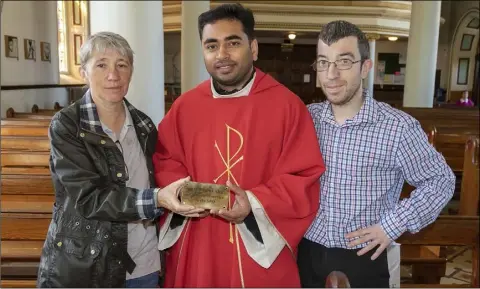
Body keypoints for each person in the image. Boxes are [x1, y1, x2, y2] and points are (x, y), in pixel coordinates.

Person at [153, 3, 325, 288]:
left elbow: (303, 176)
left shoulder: (287, 106)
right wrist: (185, 192)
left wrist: (253, 203)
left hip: (259, 243)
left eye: (232, 43)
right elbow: (165, 160)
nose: (222, 55)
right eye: (211, 46)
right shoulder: (185, 107)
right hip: (199, 240)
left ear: (253, 48)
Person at [36, 32, 204, 288]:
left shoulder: (144, 124)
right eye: (101, 64)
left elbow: (165, 171)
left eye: (122, 65)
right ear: (84, 72)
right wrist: (157, 198)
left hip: (144, 264)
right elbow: (89, 197)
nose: (113, 75)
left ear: (131, 72)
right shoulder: (67, 126)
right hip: (89, 266)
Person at [298, 20, 456, 288]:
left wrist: (391, 226)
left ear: (365, 67)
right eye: (324, 62)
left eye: (344, 61)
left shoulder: (397, 127)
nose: (331, 74)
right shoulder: (305, 119)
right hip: (308, 251)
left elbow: (441, 181)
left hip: (367, 255)